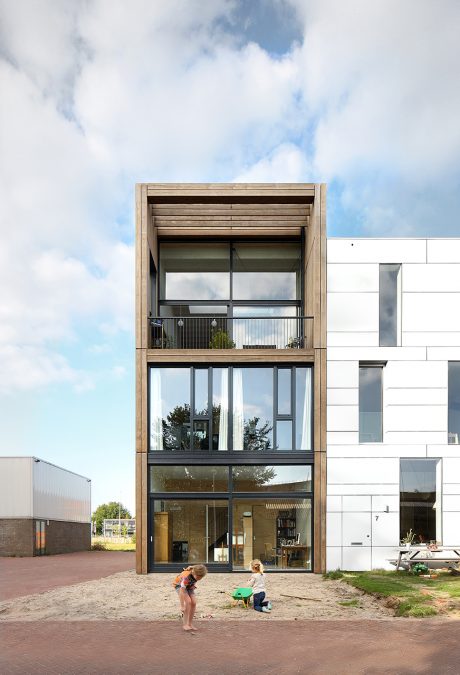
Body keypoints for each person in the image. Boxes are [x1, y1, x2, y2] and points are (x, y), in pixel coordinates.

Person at [173, 564, 208, 631]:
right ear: (194, 573)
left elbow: (198, 566)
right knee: (188, 602)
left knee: (194, 602)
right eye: (198, 577)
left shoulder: (196, 572)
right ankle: (185, 624)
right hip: (180, 586)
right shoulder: (186, 577)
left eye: (201, 578)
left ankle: (190, 624)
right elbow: (181, 591)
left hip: (189, 586)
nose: (199, 579)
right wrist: (182, 606)